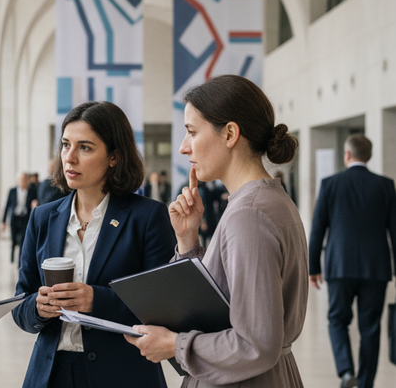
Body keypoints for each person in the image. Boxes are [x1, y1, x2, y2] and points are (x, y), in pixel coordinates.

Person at [126, 74, 308, 387]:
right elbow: (225, 303)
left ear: (230, 134)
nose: (184, 147)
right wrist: (187, 240)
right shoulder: (266, 200)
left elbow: (256, 344)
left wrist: (174, 345)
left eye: (192, 132)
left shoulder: (248, 214)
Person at [12, 101, 176, 388]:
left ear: (114, 156)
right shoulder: (42, 218)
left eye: (84, 147)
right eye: (65, 145)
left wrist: (96, 300)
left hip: (122, 375)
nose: (69, 158)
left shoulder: (147, 217)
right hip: (51, 374)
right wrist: (38, 308)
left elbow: (162, 310)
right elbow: (19, 307)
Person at [308, 134, 396, 388]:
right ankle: (365, 383)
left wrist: (314, 267)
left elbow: (317, 230)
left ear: (347, 155)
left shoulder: (330, 184)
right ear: (368, 155)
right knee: (370, 327)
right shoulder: (386, 185)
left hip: (339, 266)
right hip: (376, 268)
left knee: (337, 320)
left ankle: (346, 373)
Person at [2, 172, 37, 265]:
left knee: (23, 240)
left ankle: (20, 262)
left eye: (25, 180)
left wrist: (35, 204)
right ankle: (12, 254)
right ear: (17, 181)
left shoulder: (32, 190)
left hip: (25, 218)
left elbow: (36, 203)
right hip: (15, 218)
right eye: (21, 180)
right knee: (13, 239)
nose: (23, 182)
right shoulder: (12, 191)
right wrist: (3, 221)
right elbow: (7, 206)